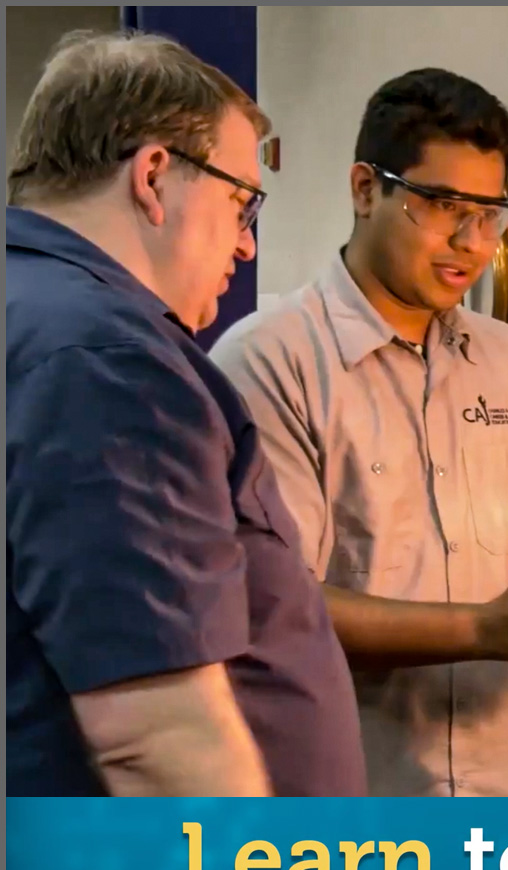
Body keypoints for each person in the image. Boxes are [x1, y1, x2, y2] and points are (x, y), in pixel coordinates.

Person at [210, 68, 508, 797]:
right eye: (442, 204)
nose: (472, 241)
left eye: (490, 213)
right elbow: (273, 604)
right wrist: (487, 629)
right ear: (366, 189)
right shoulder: (271, 362)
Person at [6, 30, 366, 797]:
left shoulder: (29, 311)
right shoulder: (106, 362)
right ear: (154, 173)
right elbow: (157, 735)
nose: (244, 245)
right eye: (241, 202)